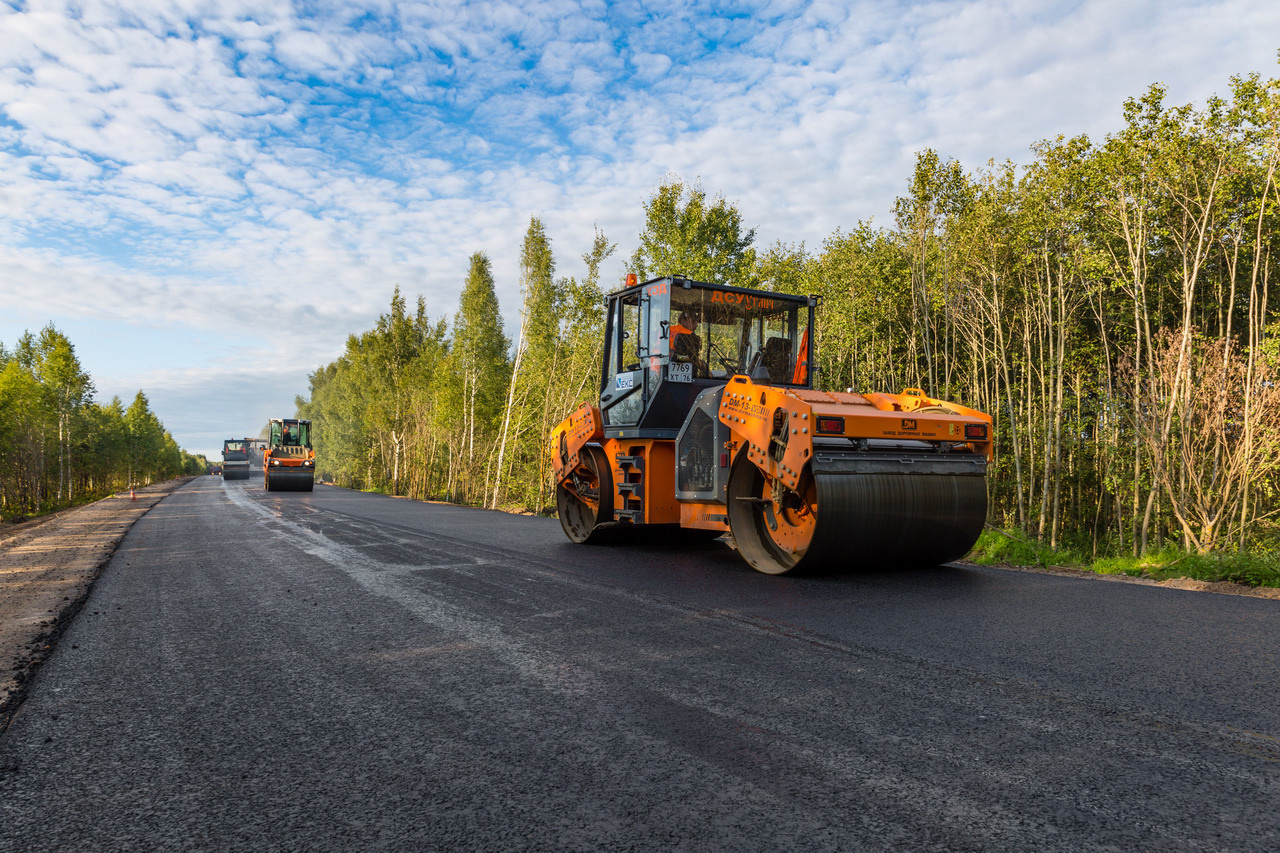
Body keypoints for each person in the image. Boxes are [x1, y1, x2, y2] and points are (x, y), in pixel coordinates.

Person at [671, 309, 706, 375]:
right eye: (693, 321)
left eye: (697, 322)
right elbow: (689, 358)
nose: (696, 325)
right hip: (683, 373)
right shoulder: (690, 337)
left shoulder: (666, 331)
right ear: (683, 321)